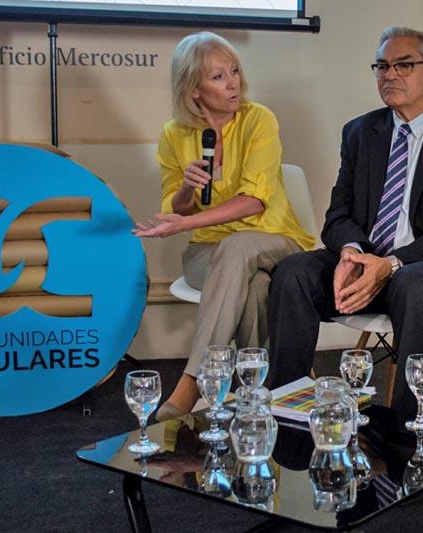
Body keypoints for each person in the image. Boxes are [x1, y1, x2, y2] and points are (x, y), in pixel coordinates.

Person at [265, 26, 423, 420]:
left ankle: (411, 428)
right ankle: (286, 409)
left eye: (403, 65)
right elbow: (338, 214)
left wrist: (391, 264)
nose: (389, 75)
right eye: (382, 66)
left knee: (416, 281)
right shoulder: (360, 132)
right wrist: (352, 252)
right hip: (367, 263)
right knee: (293, 273)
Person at [134, 32, 314, 421]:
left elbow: (254, 201)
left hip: (276, 240)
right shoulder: (174, 134)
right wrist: (186, 188)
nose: (233, 82)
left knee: (239, 248)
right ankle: (255, 394)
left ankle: (194, 382)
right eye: (218, 77)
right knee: (257, 286)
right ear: (193, 89)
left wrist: (187, 220)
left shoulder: (259, 120)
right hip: (207, 253)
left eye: (234, 71)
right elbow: (173, 206)